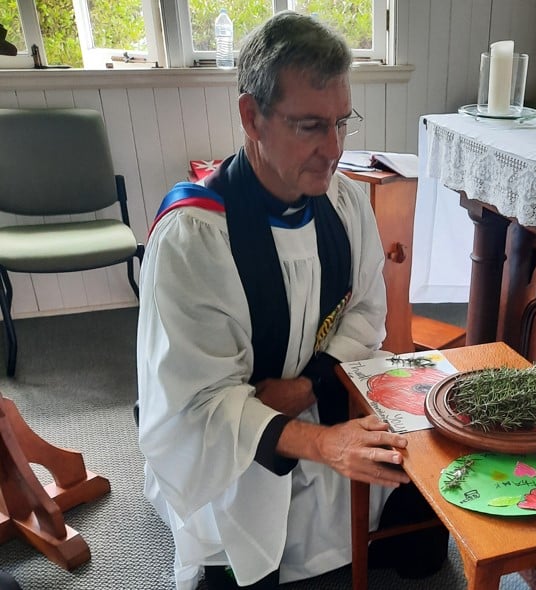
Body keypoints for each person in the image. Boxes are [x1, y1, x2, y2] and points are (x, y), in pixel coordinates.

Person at [136, 10, 446, 590]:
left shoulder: (346, 204)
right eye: (309, 126)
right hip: (234, 454)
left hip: (318, 399)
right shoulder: (196, 240)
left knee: (426, 527)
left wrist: (305, 389)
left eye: (341, 123)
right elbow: (192, 407)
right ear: (251, 116)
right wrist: (322, 442)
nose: (333, 149)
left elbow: (365, 312)